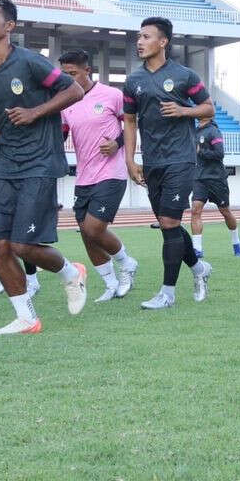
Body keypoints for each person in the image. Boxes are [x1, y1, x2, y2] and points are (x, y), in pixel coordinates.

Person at [0, 0, 88, 335]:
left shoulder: (30, 62)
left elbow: (74, 91)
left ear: (9, 26)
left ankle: (72, 274)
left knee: (22, 245)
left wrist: (34, 112)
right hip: (4, 163)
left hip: (40, 162)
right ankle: (26, 317)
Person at [121, 16, 216, 309]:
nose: (140, 42)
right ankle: (200, 269)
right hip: (152, 162)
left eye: (146, 36)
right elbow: (129, 120)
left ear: (163, 42)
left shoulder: (184, 75)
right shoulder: (133, 80)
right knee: (167, 225)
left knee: (171, 222)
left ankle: (167, 293)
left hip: (181, 159)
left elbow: (208, 109)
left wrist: (183, 111)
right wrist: (130, 160)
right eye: (139, 37)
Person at [59, 49, 143, 301]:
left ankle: (127, 263)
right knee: (85, 232)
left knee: (94, 228)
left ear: (88, 71)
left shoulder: (112, 95)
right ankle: (110, 283)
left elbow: (130, 125)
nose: (69, 79)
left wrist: (118, 144)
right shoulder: (65, 101)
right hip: (84, 176)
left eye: (73, 73)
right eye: (64, 75)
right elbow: (59, 135)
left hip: (111, 172)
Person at [189, 109, 240, 260]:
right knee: (195, 210)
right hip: (199, 178)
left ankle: (236, 242)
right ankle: (197, 249)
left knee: (225, 211)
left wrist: (202, 152)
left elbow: (219, 153)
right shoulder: (194, 131)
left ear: (209, 114)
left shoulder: (214, 131)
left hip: (216, 178)